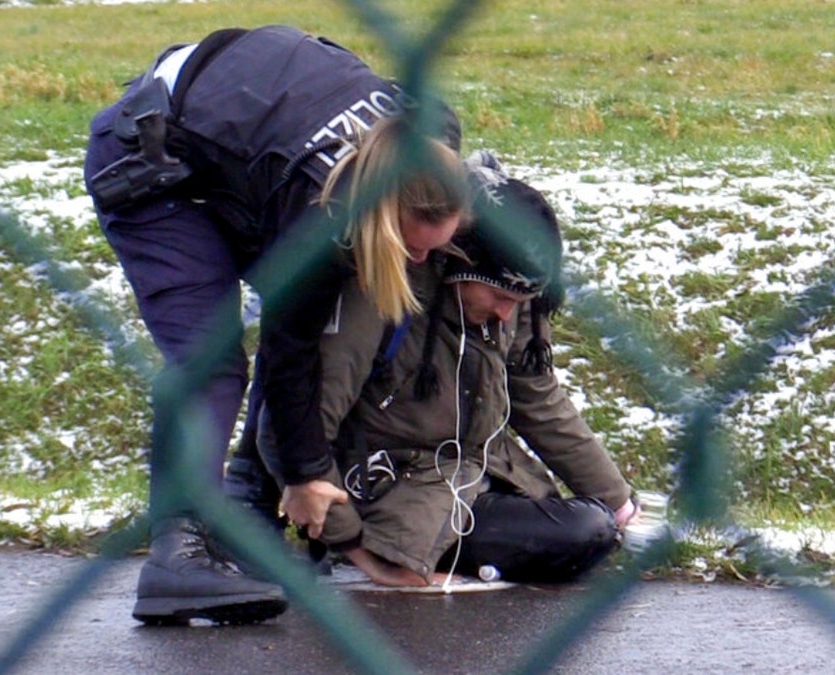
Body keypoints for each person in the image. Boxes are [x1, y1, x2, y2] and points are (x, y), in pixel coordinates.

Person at [83, 25, 469, 624]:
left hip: (239, 148)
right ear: (378, 215)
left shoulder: (431, 136)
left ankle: (246, 509)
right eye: (412, 248)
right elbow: (292, 347)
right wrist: (307, 472)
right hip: (147, 160)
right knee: (210, 360)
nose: (421, 262)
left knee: (342, 300)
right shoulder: (320, 218)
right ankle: (176, 553)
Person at [251, 154, 639, 586]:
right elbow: (291, 426)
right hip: (393, 490)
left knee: (597, 523)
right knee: (584, 532)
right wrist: (355, 546)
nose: (506, 313)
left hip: (472, 474)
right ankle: (410, 552)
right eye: (499, 297)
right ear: (457, 263)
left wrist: (619, 502)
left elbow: (537, 396)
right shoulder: (381, 293)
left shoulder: (511, 295)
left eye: (520, 303)